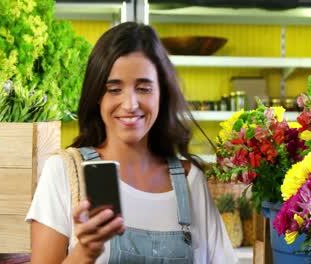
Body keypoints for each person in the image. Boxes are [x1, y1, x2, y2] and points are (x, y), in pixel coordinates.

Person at [26, 21, 238, 264]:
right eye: (114, 89)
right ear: (97, 96)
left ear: (162, 94)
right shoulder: (65, 172)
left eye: (144, 88)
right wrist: (84, 252)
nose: (130, 104)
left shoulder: (191, 182)